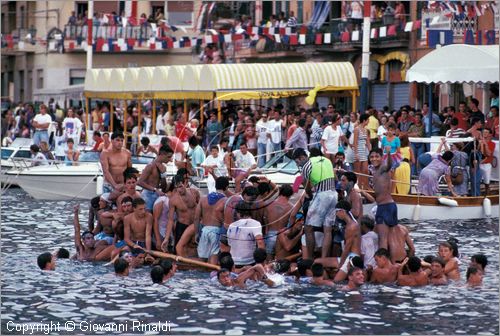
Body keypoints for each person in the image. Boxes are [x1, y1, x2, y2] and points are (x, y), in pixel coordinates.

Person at [293, 148, 337, 259]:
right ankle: (323, 258)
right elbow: (335, 178)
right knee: (328, 229)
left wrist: (310, 196)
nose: (298, 165)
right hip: (333, 194)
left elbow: (307, 188)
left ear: (302, 157)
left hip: (322, 196)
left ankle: (310, 258)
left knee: (308, 228)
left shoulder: (306, 166)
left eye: (298, 162)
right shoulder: (327, 160)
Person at [194, 177, 229, 265]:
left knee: (202, 258)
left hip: (204, 230)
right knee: (214, 257)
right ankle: (211, 279)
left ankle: (201, 277)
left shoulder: (203, 199)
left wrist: (196, 233)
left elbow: (196, 217)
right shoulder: (225, 201)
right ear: (226, 187)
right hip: (216, 230)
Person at [162, 175, 200, 252]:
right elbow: (170, 220)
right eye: (176, 188)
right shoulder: (173, 200)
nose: (179, 190)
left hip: (195, 224)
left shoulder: (194, 192)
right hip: (182, 226)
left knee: (196, 248)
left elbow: (202, 209)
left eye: (180, 186)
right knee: (179, 249)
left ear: (185, 184)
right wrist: (166, 238)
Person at [369, 148, 396, 250]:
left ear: (381, 158)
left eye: (377, 156)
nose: (374, 159)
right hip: (390, 206)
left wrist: (388, 153)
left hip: (385, 207)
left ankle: (383, 263)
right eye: (371, 157)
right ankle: (392, 261)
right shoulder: (375, 171)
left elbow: (389, 165)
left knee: (383, 238)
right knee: (391, 237)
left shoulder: (382, 168)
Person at [227, 201, 265, 267]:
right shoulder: (255, 223)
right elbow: (260, 242)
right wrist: (262, 262)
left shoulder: (231, 226)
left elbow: (229, 244)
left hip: (233, 262)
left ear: (238, 213)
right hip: (249, 261)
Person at [137, 145, 174, 212]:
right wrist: (155, 190)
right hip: (148, 195)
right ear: (162, 154)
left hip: (158, 195)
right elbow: (139, 182)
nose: (170, 160)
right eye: (168, 157)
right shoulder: (150, 166)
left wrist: (163, 176)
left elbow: (163, 188)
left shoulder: (163, 167)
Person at [263, 184, 294, 258]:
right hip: (282, 236)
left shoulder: (268, 204)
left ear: (280, 191)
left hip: (270, 234)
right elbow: (291, 224)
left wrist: (267, 229)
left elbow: (265, 218)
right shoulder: (292, 207)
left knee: (268, 260)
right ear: (290, 194)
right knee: (280, 261)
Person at [123, 198, 154, 263]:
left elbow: (148, 236)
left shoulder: (149, 216)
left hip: (143, 244)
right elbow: (126, 238)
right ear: (134, 209)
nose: (143, 211)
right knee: (115, 252)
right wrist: (134, 245)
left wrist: (148, 252)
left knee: (139, 260)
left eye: (144, 209)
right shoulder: (127, 218)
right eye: (140, 209)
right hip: (131, 243)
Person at [353, 114, 371, 188]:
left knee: (365, 170)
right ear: (364, 120)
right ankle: (359, 187)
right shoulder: (357, 129)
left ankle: (366, 186)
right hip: (358, 151)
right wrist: (356, 153)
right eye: (368, 120)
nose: (369, 121)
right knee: (358, 172)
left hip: (364, 151)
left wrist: (370, 149)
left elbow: (367, 141)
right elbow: (355, 142)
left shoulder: (366, 130)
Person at [479, 128, 495, 195]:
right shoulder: (479, 142)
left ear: (489, 134)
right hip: (479, 164)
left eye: (486, 132)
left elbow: (488, 153)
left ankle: (487, 196)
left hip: (486, 164)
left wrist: (485, 144)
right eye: (484, 132)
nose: (485, 134)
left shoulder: (492, 143)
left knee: (487, 182)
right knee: (478, 181)